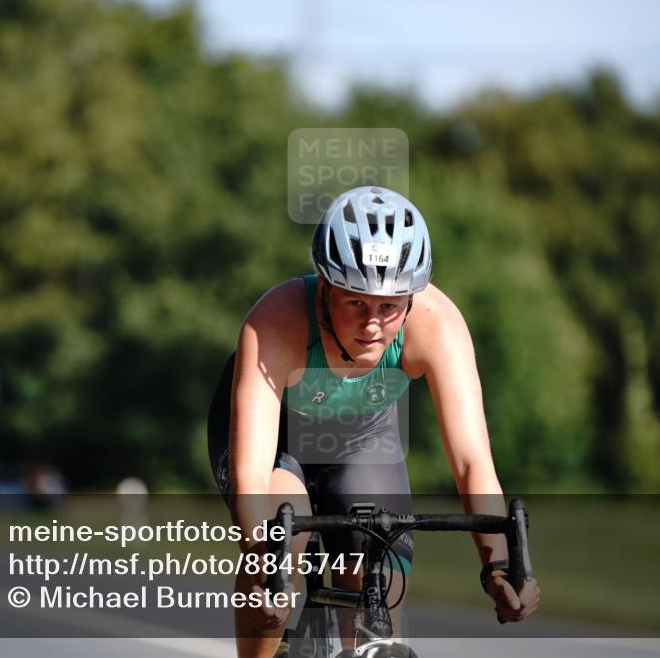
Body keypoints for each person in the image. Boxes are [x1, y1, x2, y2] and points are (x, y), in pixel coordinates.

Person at [208, 186, 541, 658]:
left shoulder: (437, 325)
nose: (372, 325)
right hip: (275, 440)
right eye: (356, 304)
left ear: (411, 298)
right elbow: (251, 477)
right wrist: (265, 569)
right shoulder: (276, 321)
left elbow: (471, 462)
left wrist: (498, 567)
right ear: (325, 288)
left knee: (377, 568)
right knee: (283, 538)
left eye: (389, 307)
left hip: (362, 437)